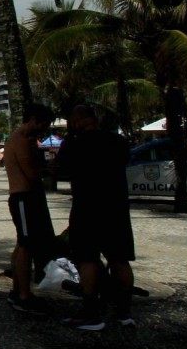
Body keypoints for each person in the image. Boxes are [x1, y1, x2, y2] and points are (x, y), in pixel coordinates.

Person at [54, 105, 136, 331]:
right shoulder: (117, 141)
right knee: (120, 259)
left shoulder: (74, 143)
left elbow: (61, 169)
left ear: (77, 121)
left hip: (87, 208)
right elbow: (124, 161)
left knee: (87, 259)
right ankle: (124, 313)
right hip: (116, 208)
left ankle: (91, 314)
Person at [4, 103, 58, 315]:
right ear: (34, 119)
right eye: (44, 123)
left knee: (22, 244)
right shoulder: (22, 140)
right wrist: (48, 169)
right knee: (26, 246)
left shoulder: (19, 138)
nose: (45, 128)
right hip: (24, 198)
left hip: (22, 198)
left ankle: (18, 290)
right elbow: (31, 174)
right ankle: (23, 296)